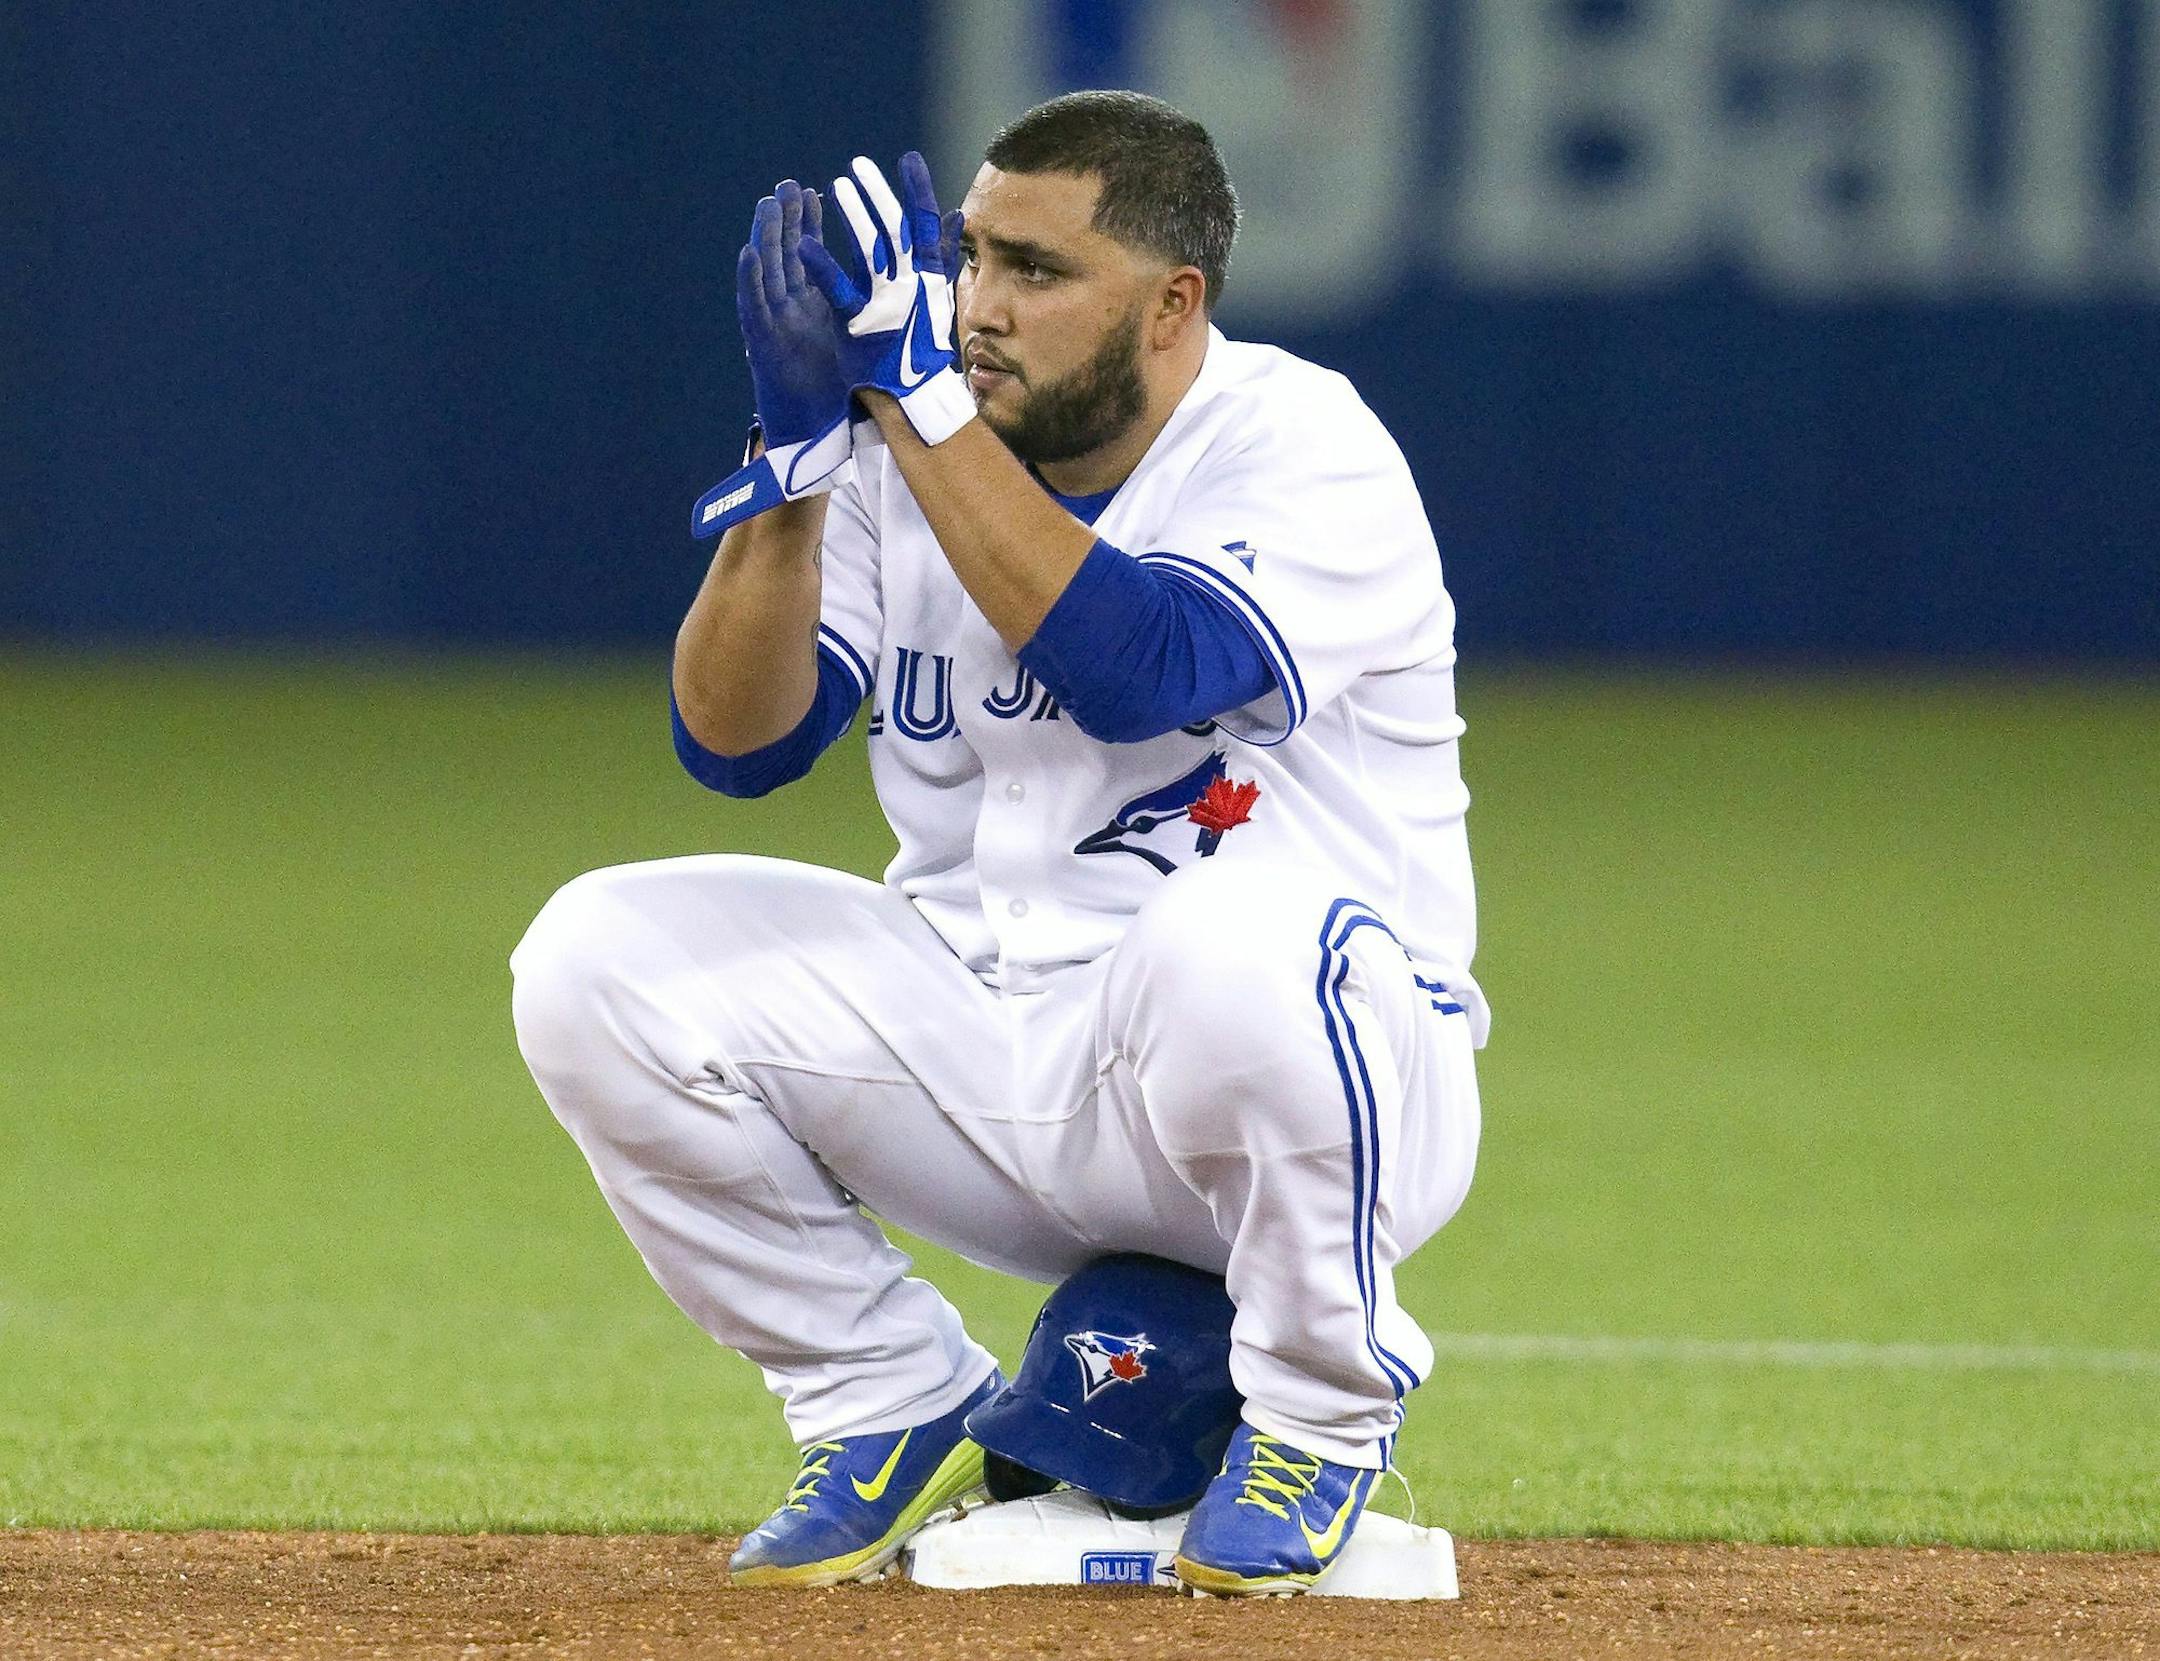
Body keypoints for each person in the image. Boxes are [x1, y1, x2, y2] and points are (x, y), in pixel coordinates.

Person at [510, 89, 1487, 1598]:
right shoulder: (915, 437)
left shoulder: (1299, 442)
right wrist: (791, 477)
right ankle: (883, 1393)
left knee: (1232, 929)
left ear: (1173, 307)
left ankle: (1318, 1415)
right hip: (991, 1048)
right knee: (595, 956)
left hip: (1307, 1078)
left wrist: (924, 414)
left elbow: (1146, 664)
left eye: (1036, 270)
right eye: (970, 256)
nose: (978, 306)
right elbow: (737, 741)